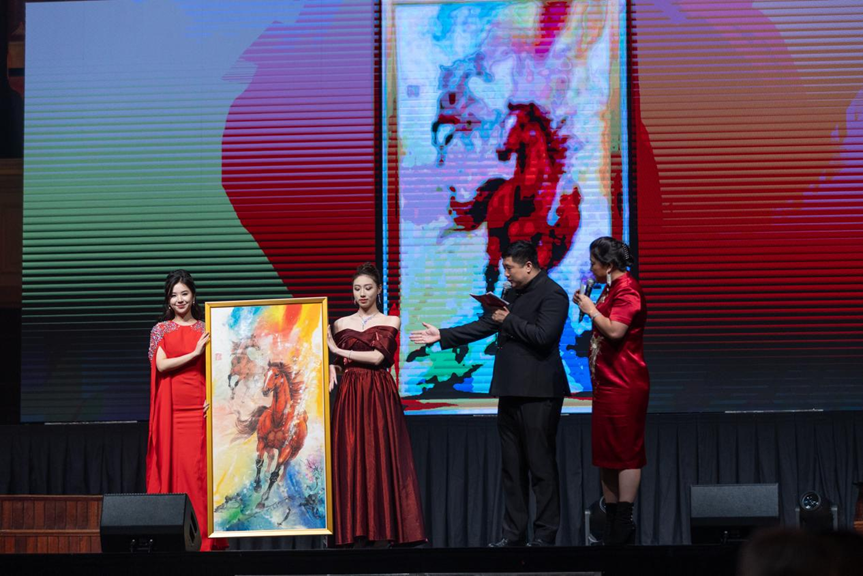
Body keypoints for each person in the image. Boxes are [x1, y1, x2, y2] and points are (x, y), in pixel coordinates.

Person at [410, 241, 570, 547]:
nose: (505, 274)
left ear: (528, 266)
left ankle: (545, 535)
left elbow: (544, 336)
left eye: (509, 268)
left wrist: (507, 319)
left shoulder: (553, 294)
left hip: (539, 392)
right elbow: (486, 325)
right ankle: (514, 535)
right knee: (512, 467)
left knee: (540, 465)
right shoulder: (512, 293)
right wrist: (442, 335)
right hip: (509, 388)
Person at [326, 263, 426, 548]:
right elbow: (342, 362)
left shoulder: (391, 320)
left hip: (378, 391)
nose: (362, 293)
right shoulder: (340, 323)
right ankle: (352, 530)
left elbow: (377, 357)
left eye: (368, 288)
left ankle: (388, 528)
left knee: (380, 453)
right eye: (357, 288)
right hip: (350, 393)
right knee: (350, 454)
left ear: (379, 290)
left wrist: (337, 350)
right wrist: (333, 365)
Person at [572, 237, 649, 546]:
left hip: (624, 382)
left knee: (626, 451)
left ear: (609, 264)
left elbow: (616, 330)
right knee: (606, 452)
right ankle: (612, 516)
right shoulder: (609, 288)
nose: (591, 268)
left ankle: (624, 519)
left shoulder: (628, 289)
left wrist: (591, 310)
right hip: (605, 382)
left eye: (594, 262)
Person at [147, 270, 226, 551]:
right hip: (170, 412)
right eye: (173, 295)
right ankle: (173, 538)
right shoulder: (160, 329)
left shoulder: (207, 328)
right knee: (173, 470)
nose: (179, 299)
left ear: (193, 297)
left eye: (184, 293)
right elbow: (161, 366)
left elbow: (220, 369)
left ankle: (204, 539)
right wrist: (194, 354)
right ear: (168, 300)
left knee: (198, 473)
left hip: (199, 410)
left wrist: (214, 397)